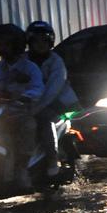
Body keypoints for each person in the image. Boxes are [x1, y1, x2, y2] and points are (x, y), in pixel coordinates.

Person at [0, 24, 44, 187]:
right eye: (0, 43)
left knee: (28, 128)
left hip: (22, 112)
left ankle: (22, 169)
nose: (2, 47)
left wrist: (24, 97)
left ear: (16, 45)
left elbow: (37, 88)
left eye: (6, 43)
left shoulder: (30, 68)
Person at [25, 21, 79, 176]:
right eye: (37, 40)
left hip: (57, 102)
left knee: (44, 119)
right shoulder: (23, 60)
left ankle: (51, 159)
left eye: (44, 40)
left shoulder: (56, 62)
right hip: (29, 102)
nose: (40, 44)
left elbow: (52, 90)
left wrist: (35, 109)